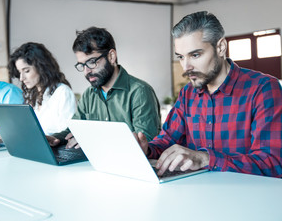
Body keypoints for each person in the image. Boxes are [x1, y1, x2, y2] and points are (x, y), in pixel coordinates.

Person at [137, 11, 282, 178]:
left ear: (220, 47)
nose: (186, 67)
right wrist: (146, 149)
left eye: (195, 55)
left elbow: (272, 163)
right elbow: (167, 140)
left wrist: (206, 159)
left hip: (248, 197)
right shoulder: (188, 94)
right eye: (181, 57)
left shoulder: (263, 89)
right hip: (198, 195)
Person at [50, 26, 161, 149]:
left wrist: (93, 140)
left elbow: (145, 142)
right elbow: (73, 130)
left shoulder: (139, 91)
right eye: (82, 65)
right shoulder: (89, 94)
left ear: (111, 56)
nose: (87, 71)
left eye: (91, 62)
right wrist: (54, 139)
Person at [8, 42, 76, 135]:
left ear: (41, 67)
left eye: (26, 71)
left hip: (55, 148)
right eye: (20, 72)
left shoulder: (62, 92)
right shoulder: (31, 95)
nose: (21, 78)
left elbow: (66, 134)